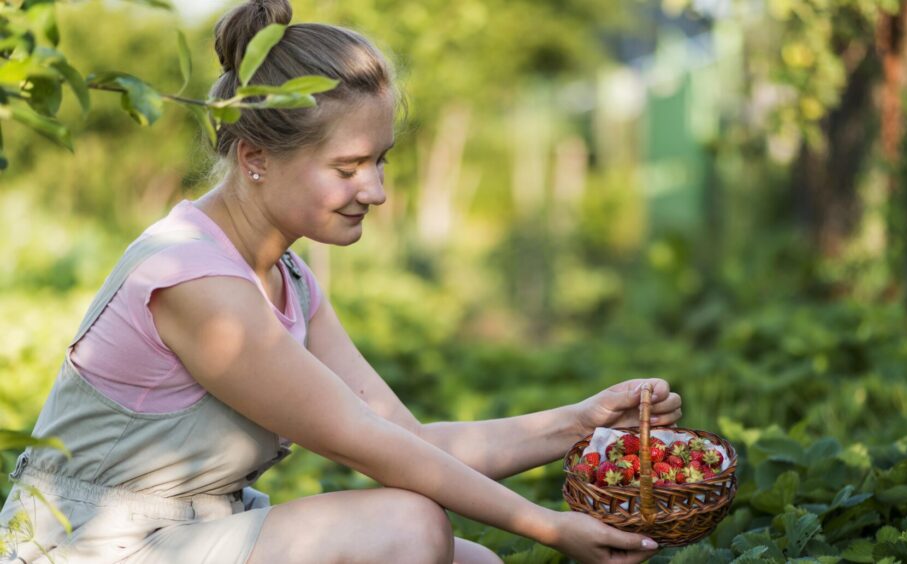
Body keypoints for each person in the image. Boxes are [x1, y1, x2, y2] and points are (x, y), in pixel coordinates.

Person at [0, 1, 684, 562]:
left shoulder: (287, 278)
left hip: (181, 534)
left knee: (473, 561)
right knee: (407, 529)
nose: (377, 191)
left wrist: (579, 424)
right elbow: (368, 446)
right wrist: (547, 525)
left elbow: (407, 440)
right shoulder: (193, 281)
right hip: (84, 547)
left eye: (381, 161)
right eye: (350, 166)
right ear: (256, 158)